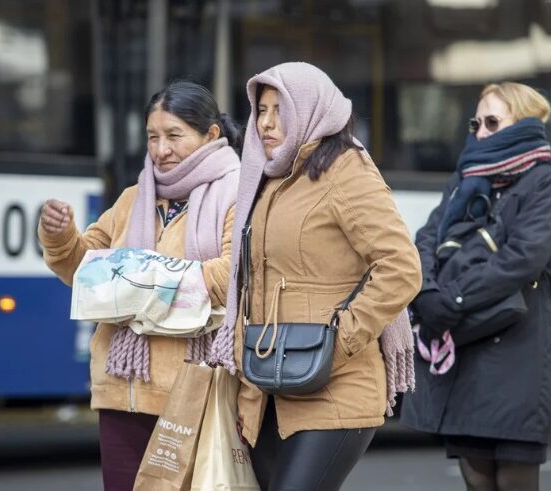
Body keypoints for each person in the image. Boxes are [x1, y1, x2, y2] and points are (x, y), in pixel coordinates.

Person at [208, 62, 422, 490]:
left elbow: (401, 267)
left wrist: (338, 339)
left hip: (334, 384)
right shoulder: (266, 178)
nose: (266, 123)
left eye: (279, 110)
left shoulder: (346, 170)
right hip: (267, 384)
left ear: (309, 109)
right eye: (261, 110)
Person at [38, 81, 242, 491]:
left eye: (174, 135)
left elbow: (231, 275)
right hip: (120, 390)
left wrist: (139, 280)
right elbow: (87, 271)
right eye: (152, 136)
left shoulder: (237, 194)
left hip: (192, 393)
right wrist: (60, 236)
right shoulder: (134, 198)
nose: (161, 149)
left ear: (211, 135)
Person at [400, 82, 551, 491]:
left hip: (518, 349)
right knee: (475, 476)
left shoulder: (544, 180)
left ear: (523, 123)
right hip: (467, 344)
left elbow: (523, 257)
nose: (481, 131)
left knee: (513, 478)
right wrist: (427, 292)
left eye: (492, 121)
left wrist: (454, 297)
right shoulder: (464, 177)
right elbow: (427, 237)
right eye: (476, 123)